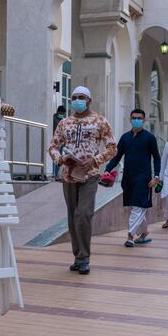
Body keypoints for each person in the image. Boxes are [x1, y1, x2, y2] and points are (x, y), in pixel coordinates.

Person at [48, 86, 117, 274]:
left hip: (90, 175)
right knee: (72, 217)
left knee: (83, 214)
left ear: (89, 100)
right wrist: (61, 159)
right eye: (74, 97)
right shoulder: (65, 123)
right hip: (68, 175)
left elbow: (112, 148)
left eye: (81, 97)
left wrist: (94, 160)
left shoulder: (100, 121)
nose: (77, 100)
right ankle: (78, 257)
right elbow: (53, 147)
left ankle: (84, 258)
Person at [104, 109, 161, 248]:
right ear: (130, 119)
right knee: (136, 207)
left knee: (138, 206)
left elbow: (157, 158)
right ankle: (144, 231)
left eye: (139, 118)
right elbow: (117, 157)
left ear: (144, 120)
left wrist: (157, 176)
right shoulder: (125, 138)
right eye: (134, 118)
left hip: (144, 179)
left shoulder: (149, 137)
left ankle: (130, 236)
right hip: (128, 178)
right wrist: (107, 170)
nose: (137, 120)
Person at [52, 105, 66, 178]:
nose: (62, 115)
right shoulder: (53, 119)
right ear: (58, 111)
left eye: (63, 113)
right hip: (54, 141)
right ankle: (52, 173)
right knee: (53, 156)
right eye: (61, 113)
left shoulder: (63, 120)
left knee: (59, 158)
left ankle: (56, 174)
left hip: (61, 142)